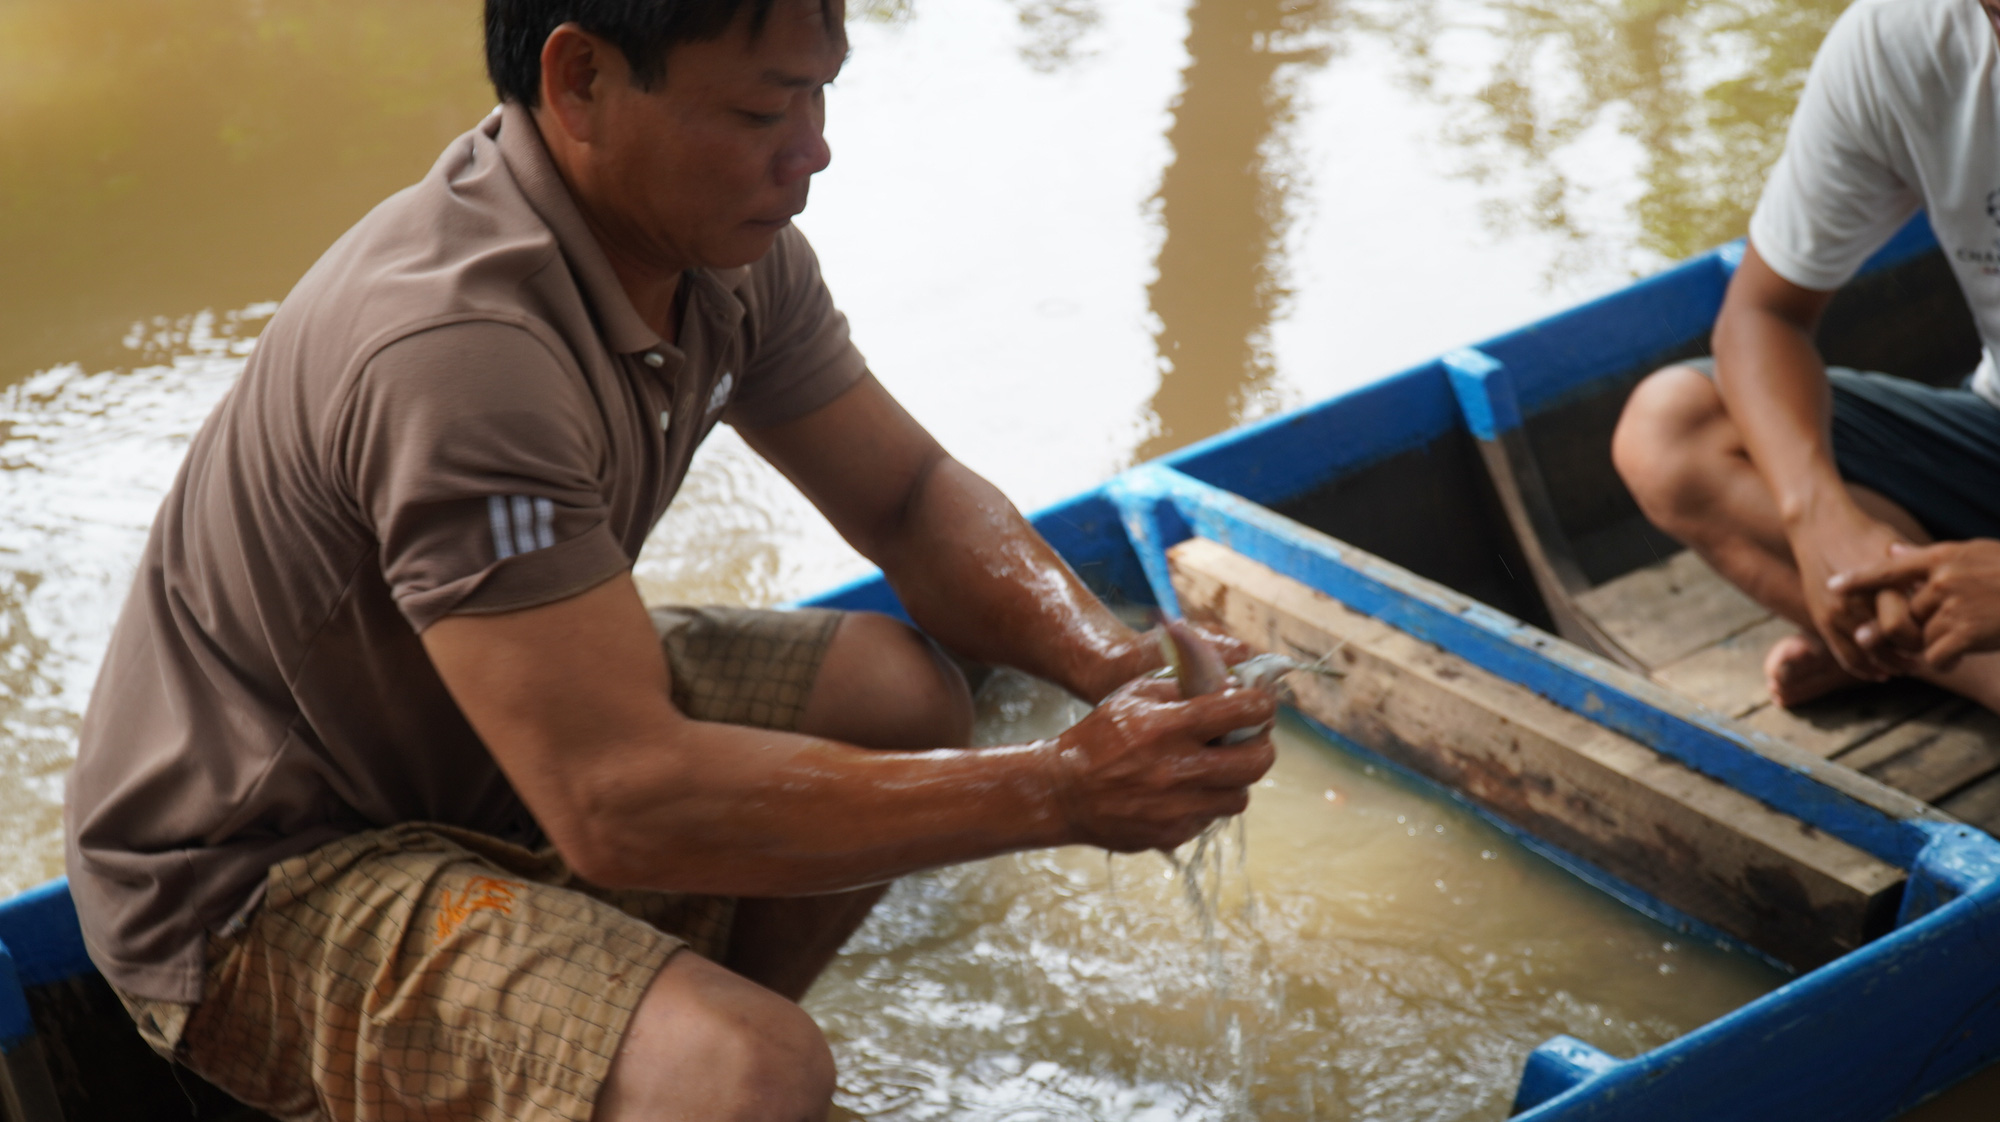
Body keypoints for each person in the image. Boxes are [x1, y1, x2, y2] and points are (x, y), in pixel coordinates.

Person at [61, 1, 1278, 1119]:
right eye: (759, 110)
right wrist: (1060, 790)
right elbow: (616, 802)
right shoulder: (459, 351)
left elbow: (908, 499)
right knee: (751, 1067)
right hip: (261, 873)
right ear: (580, 79)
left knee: (897, 697)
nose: (811, 150)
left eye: (818, 95)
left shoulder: (717, 252)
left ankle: (636, 1062)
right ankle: (685, 1068)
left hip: (474, 745)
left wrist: (1112, 667)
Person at [1611, 0, 2000, 713]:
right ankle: (1940, 657)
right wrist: (1818, 516)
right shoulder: (1902, 38)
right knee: (1673, 428)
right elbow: (1761, 315)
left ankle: (1909, 648)